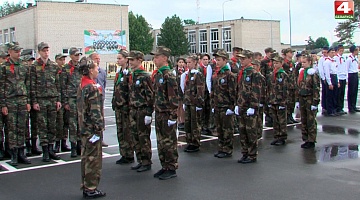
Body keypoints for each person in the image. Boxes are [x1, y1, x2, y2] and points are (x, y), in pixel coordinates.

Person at [77, 57, 106, 199]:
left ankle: (86, 185)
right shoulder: (92, 88)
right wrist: (99, 128)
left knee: (86, 157)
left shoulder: (82, 84)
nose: (97, 70)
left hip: (84, 127)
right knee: (93, 159)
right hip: (92, 129)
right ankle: (91, 187)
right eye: (95, 68)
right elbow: (95, 111)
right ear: (89, 70)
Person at [0, 42, 31, 166]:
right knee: (12, 128)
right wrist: (3, 104)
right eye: (16, 51)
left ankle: (21, 153)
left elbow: (27, 84)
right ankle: (13, 153)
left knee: (22, 127)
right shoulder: (4, 67)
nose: (19, 53)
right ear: (10, 52)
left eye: (19, 51)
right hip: (10, 100)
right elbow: (1, 87)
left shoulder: (23, 66)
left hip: (22, 99)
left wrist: (28, 101)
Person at [151, 46, 179, 180]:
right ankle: (164, 166)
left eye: (157, 57)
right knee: (161, 141)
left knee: (169, 142)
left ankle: (171, 167)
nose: (154, 59)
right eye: (154, 57)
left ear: (165, 58)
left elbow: (173, 97)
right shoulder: (158, 74)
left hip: (167, 114)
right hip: (159, 112)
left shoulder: (169, 75)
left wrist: (173, 116)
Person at [31, 42, 62, 162]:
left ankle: (51, 149)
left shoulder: (54, 66)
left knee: (52, 125)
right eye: (44, 50)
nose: (46, 52)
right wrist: (34, 101)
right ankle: (45, 151)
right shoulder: (34, 66)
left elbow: (57, 84)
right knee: (42, 126)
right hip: (41, 99)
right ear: (39, 52)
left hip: (53, 99)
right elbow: (32, 85)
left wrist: (58, 99)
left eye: (47, 50)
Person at [127, 51, 154, 172]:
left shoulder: (144, 76)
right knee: (135, 136)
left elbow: (150, 95)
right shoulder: (133, 75)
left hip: (142, 110)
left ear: (139, 60)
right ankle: (140, 159)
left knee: (143, 137)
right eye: (129, 60)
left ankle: (146, 161)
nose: (130, 62)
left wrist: (149, 112)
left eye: (132, 60)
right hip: (133, 109)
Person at [235, 50, 262, 163]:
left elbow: (256, 91)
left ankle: (252, 155)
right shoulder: (242, 72)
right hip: (242, 105)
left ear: (250, 59)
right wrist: (237, 104)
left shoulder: (254, 74)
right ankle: (244, 153)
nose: (241, 61)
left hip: (250, 106)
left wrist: (253, 106)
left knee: (251, 132)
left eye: (244, 58)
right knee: (242, 131)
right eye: (240, 59)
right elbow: (239, 90)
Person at [212, 49, 236, 158]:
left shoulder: (229, 75)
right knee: (220, 129)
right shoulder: (217, 74)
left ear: (225, 60)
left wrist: (231, 107)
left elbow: (233, 92)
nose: (217, 62)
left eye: (219, 60)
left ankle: (227, 149)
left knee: (227, 129)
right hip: (218, 106)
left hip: (226, 106)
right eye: (216, 60)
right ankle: (221, 147)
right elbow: (215, 91)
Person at [112, 49, 134, 164]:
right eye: (118, 58)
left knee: (127, 131)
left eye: (120, 58)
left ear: (126, 59)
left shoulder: (129, 73)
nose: (118, 60)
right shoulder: (119, 72)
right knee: (120, 130)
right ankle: (123, 153)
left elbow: (131, 91)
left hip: (126, 107)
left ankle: (129, 154)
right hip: (118, 106)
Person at [180, 54, 205, 153]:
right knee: (188, 123)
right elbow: (184, 88)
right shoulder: (187, 74)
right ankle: (189, 141)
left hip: (195, 103)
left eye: (190, 62)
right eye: (187, 62)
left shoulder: (198, 74)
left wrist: (199, 103)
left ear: (195, 63)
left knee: (195, 123)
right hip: (188, 102)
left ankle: (195, 142)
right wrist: (184, 101)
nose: (188, 64)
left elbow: (200, 90)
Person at [62, 47, 82, 157]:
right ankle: (73, 146)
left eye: (78, 55)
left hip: (80, 98)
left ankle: (80, 145)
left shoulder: (81, 68)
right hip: (71, 98)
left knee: (80, 122)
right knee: (73, 124)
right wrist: (65, 101)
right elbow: (63, 85)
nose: (77, 57)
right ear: (71, 56)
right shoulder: (66, 68)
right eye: (75, 55)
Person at [297, 55, 320, 149]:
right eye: (302, 62)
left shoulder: (312, 73)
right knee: (304, 119)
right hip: (302, 98)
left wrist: (315, 102)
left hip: (310, 98)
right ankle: (306, 139)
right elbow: (298, 86)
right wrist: (297, 100)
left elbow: (316, 88)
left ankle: (311, 140)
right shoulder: (302, 72)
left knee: (311, 120)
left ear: (310, 62)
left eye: (305, 62)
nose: (303, 64)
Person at [267, 54, 289, 146]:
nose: (275, 65)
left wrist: (283, 102)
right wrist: (269, 100)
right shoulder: (272, 74)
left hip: (280, 101)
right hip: (273, 100)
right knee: (275, 120)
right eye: (274, 63)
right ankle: (276, 136)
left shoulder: (283, 75)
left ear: (281, 63)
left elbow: (286, 89)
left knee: (281, 120)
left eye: (277, 63)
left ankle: (282, 137)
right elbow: (269, 88)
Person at [89, 53, 108, 147]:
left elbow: (104, 84)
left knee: (100, 119)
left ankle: (101, 138)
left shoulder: (102, 71)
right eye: (96, 58)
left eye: (99, 58)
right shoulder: (89, 72)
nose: (98, 60)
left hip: (100, 98)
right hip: (92, 99)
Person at [54, 53, 71, 153]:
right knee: (58, 124)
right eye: (60, 60)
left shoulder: (66, 71)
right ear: (56, 60)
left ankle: (64, 142)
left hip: (66, 99)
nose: (62, 62)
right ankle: (57, 144)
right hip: (57, 99)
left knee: (66, 123)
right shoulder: (55, 70)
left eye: (64, 60)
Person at [282, 48, 298, 124]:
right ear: (286, 53)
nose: (292, 54)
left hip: (293, 85)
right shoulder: (284, 63)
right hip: (287, 85)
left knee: (292, 102)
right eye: (290, 52)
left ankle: (290, 116)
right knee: (287, 102)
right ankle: (287, 116)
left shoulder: (292, 62)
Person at [261, 47, 276, 127]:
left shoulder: (272, 61)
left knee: (271, 100)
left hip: (272, 83)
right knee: (267, 101)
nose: (272, 54)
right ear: (267, 53)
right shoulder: (264, 62)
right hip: (267, 83)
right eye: (270, 52)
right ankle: (268, 118)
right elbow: (263, 73)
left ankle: (271, 116)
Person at [251, 59, 265, 140]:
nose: (253, 67)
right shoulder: (253, 75)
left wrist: (262, 100)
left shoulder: (260, 76)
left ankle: (259, 133)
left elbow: (263, 89)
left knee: (259, 118)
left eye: (255, 66)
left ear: (258, 67)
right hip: (254, 100)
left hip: (259, 100)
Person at [323, 48, 339, 116]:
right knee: (329, 95)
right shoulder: (327, 62)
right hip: (330, 77)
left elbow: (336, 71)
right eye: (332, 52)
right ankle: (330, 110)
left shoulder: (334, 61)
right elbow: (327, 73)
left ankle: (334, 109)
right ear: (328, 53)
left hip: (334, 77)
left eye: (334, 52)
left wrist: (337, 81)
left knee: (334, 95)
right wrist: (329, 83)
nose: (333, 53)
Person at [199, 54, 212, 134]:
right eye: (204, 59)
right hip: (202, 92)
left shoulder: (210, 68)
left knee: (208, 109)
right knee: (202, 110)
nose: (205, 61)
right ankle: (202, 126)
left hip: (208, 91)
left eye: (207, 59)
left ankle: (207, 125)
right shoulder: (200, 69)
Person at [346, 45, 359, 114]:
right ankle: (350, 107)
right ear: (354, 51)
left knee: (355, 91)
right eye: (357, 50)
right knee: (351, 91)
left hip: (355, 74)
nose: (358, 51)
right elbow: (347, 69)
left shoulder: (356, 58)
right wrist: (347, 79)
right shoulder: (349, 59)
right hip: (351, 75)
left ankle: (354, 105)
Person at [334, 45, 347, 115]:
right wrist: (338, 79)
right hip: (339, 77)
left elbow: (345, 68)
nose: (341, 52)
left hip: (343, 77)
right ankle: (337, 108)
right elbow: (336, 69)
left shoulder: (344, 58)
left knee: (342, 93)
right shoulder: (336, 58)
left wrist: (346, 77)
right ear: (338, 51)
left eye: (342, 51)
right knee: (338, 94)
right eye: (340, 51)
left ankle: (341, 107)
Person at [175, 57, 186, 130]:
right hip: (177, 91)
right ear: (177, 63)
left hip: (184, 91)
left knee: (183, 106)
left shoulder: (186, 71)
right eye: (180, 62)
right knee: (178, 106)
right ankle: (179, 120)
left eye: (182, 62)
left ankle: (183, 120)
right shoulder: (174, 72)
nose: (181, 64)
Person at [317, 47, 329, 115]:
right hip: (324, 77)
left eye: (325, 52)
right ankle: (324, 107)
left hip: (329, 77)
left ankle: (328, 106)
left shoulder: (330, 59)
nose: (324, 54)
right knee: (324, 92)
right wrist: (323, 78)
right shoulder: (322, 59)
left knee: (329, 94)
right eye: (323, 52)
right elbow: (320, 69)